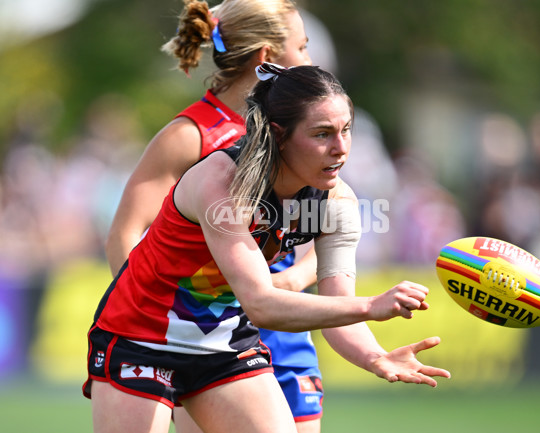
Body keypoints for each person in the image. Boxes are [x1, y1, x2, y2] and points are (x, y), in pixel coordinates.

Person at [85, 63, 450, 433]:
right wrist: (371, 307)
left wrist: (377, 357)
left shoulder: (335, 203)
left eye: (346, 131)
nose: (340, 149)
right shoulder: (222, 183)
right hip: (140, 336)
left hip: (224, 343)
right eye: (322, 134)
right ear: (279, 135)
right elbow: (261, 304)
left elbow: (338, 308)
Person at [104, 1, 323, 431]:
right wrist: (158, 327)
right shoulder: (190, 137)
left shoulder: (302, 135)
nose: (310, 61)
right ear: (267, 58)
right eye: (302, 47)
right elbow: (125, 233)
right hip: (203, 334)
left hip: (284, 329)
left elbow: (321, 232)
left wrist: (294, 280)